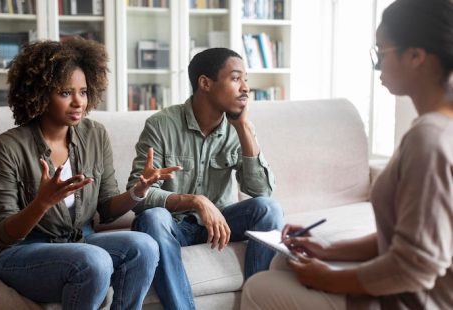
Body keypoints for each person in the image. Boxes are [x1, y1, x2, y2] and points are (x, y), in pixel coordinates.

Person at [240, 0, 453, 309]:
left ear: (416, 56)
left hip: (415, 300)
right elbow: (408, 237)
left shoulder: (429, 139)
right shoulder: (437, 128)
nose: (377, 64)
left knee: (259, 287)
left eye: (382, 52)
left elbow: (414, 266)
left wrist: (328, 278)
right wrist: (329, 250)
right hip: (414, 288)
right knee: (283, 264)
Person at [0, 38, 181, 310]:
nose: (78, 102)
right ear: (39, 93)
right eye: (65, 93)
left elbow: (107, 209)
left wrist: (138, 191)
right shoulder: (7, 148)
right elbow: (4, 235)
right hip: (25, 252)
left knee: (144, 245)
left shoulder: (95, 134)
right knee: (94, 261)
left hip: (81, 240)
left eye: (83, 92)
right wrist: (41, 204)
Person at [127, 47, 284, 309]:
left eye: (246, 79)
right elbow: (139, 196)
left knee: (269, 209)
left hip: (219, 226)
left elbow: (262, 192)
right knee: (153, 217)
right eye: (236, 79)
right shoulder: (161, 125)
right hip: (173, 227)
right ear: (205, 83)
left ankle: (256, 304)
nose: (245, 88)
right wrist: (197, 201)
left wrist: (244, 127)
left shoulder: (238, 128)